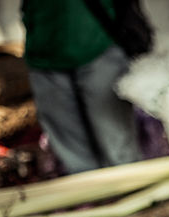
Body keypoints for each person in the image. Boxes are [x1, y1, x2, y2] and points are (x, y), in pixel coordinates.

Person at [20, 0, 145, 174]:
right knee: (76, 160)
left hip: (99, 45)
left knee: (120, 151)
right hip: (43, 57)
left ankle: (133, 188)